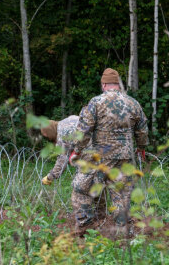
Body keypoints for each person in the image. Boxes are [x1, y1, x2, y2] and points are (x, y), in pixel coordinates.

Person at [69, 67, 148, 232]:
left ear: (103, 84)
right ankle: (122, 228)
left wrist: (77, 150)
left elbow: (84, 130)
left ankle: (85, 226)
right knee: (121, 193)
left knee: (81, 188)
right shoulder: (133, 103)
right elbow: (142, 129)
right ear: (118, 84)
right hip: (124, 156)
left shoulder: (96, 102)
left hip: (100, 155)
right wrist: (141, 147)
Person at [41, 115, 80, 185]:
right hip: (102, 144)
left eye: (46, 134)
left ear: (50, 131)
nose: (48, 137)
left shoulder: (61, 135)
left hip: (91, 152)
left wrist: (50, 177)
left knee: (79, 186)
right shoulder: (68, 120)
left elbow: (62, 160)